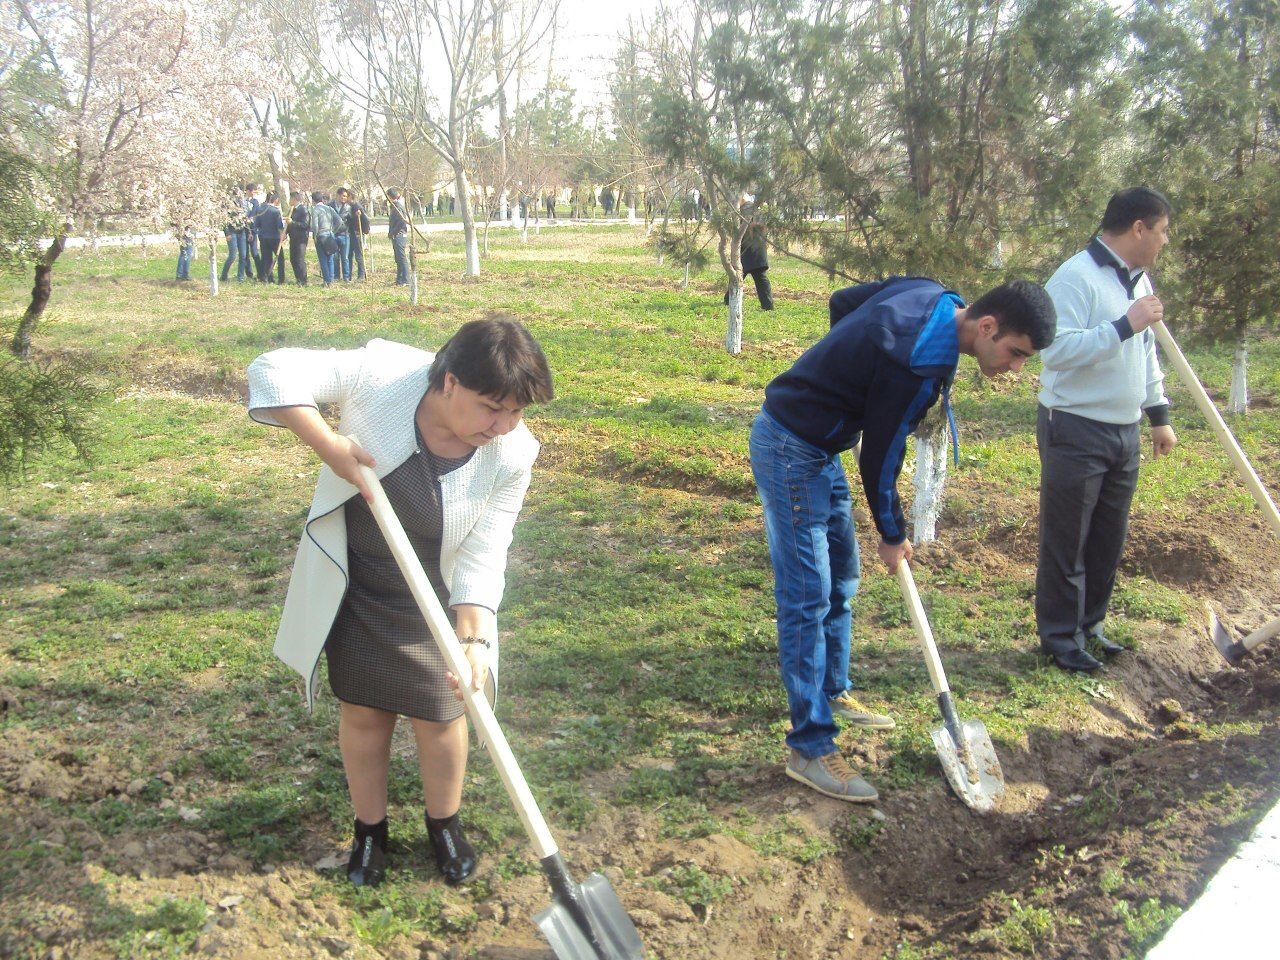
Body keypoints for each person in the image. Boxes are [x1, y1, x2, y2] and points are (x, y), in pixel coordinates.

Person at [247, 316, 555, 888]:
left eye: (517, 412)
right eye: (494, 407)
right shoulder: (382, 374)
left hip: (434, 595)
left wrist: (474, 641)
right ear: (449, 383)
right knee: (364, 712)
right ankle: (371, 832)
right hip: (359, 581)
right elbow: (271, 369)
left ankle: (445, 824)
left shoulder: (512, 452)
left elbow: (485, 553)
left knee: (443, 714)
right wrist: (329, 446)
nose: (505, 425)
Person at [749, 277, 1055, 803]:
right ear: (987, 326)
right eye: (1016, 353)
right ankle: (810, 746)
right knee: (807, 595)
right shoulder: (917, 361)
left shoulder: (933, 293)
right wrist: (892, 534)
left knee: (842, 578)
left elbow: (843, 302)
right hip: (791, 447)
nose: (1015, 368)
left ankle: (832, 692)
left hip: (820, 446)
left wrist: (846, 377)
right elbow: (880, 458)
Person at [1036, 187, 1177, 673]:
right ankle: (1059, 639)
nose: (1163, 241)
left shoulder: (1139, 280)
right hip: (1075, 425)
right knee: (1067, 540)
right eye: (1161, 231)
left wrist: (1157, 414)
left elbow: (1148, 350)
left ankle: (1090, 626)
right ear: (1138, 228)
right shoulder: (1075, 277)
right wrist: (1122, 325)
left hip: (1124, 430)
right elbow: (1054, 351)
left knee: (1106, 538)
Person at [724, 198, 773, 310]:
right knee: (759, 277)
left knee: (738, 275)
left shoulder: (745, 210)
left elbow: (743, 230)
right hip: (757, 247)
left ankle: (728, 300)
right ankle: (768, 305)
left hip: (748, 248)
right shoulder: (755, 209)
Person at [309, 191, 342, 287]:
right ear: (322, 199)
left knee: (323, 259)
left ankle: (326, 281)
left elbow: (315, 225)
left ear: (313, 200)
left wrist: (315, 235)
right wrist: (333, 231)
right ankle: (331, 280)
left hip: (321, 236)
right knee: (330, 258)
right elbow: (339, 221)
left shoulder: (315, 210)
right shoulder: (329, 208)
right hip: (330, 235)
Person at [338, 188, 370, 281]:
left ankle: (361, 275)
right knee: (349, 255)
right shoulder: (348, 206)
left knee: (359, 255)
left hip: (357, 234)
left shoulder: (356, 206)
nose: (345, 198)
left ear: (350, 197)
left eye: (346, 196)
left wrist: (364, 231)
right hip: (350, 234)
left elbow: (366, 219)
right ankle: (349, 276)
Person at [255, 191, 286, 284]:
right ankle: (281, 279)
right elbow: (280, 226)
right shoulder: (276, 211)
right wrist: (283, 235)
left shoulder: (260, 210)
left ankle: (266, 278)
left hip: (264, 237)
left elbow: (257, 224)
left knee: (266, 258)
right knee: (280, 258)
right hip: (275, 238)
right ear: (276, 200)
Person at [220, 191, 251, 282]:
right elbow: (224, 219)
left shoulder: (244, 203)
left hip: (242, 232)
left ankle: (240, 277)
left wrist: (249, 231)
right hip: (232, 231)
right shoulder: (228, 203)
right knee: (233, 255)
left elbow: (246, 219)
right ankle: (224, 276)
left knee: (243, 255)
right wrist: (227, 233)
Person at [387, 187, 411, 286]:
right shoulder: (394, 206)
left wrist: (393, 232)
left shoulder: (397, 207)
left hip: (399, 235)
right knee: (398, 258)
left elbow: (402, 221)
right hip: (396, 235)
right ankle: (399, 279)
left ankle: (406, 280)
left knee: (402, 258)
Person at [287, 191, 310, 286]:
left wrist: (293, 222)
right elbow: (288, 224)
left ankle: (303, 280)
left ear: (294, 199)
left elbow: (305, 225)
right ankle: (298, 278)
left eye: (290, 199)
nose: (289, 201)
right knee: (293, 259)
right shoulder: (291, 210)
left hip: (301, 239)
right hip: (293, 238)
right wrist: (286, 233)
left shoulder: (303, 210)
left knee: (300, 259)